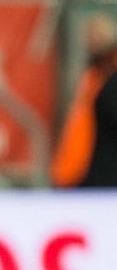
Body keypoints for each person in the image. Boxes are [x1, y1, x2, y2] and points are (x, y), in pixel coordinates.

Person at [51, 12, 117, 187]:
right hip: (86, 165)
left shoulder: (108, 75)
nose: (87, 41)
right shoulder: (94, 73)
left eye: (92, 36)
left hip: (104, 171)